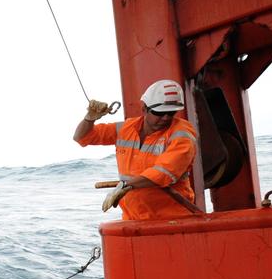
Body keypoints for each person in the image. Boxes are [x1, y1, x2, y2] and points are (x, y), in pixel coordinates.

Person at [73, 79, 199, 220]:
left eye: (171, 113)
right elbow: (82, 137)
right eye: (159, 113)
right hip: (133, 218)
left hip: (172, 219)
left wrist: (126, 185)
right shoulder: (126, 128)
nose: (165, 118)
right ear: (144, 108)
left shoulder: (182, 132)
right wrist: (89, 119)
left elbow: (164, 172)